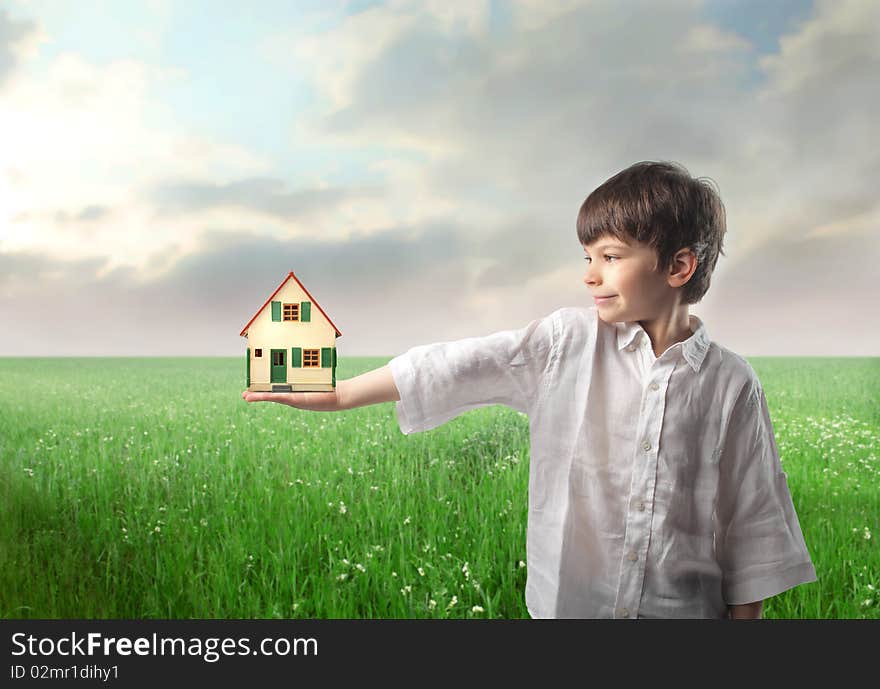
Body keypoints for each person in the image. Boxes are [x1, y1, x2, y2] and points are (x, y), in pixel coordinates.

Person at [242, 160, 817, 619]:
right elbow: (454, 364)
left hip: (683, 612)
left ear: (678, 267)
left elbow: (753, 515)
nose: (589, 274)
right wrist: (340, 394)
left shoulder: (731, 382)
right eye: (587, 257)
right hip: (571, 610)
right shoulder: (565, 343)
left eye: (611, 257)